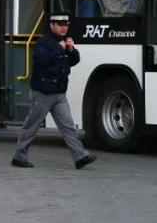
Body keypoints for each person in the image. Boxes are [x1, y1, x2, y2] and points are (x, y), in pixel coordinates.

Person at [11, 13, 97, 170]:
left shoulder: (63, 43)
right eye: (60, 24)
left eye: (66, 24)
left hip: (59, 94)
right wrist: (60, 48)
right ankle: (19, 156)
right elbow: (42, 60)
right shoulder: (43, 43)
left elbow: (74, 61)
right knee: (31, 126)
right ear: (52, 25)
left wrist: (71, 50)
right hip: (43, 93)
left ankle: (80, 157)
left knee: (68, 126)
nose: (64, 27)